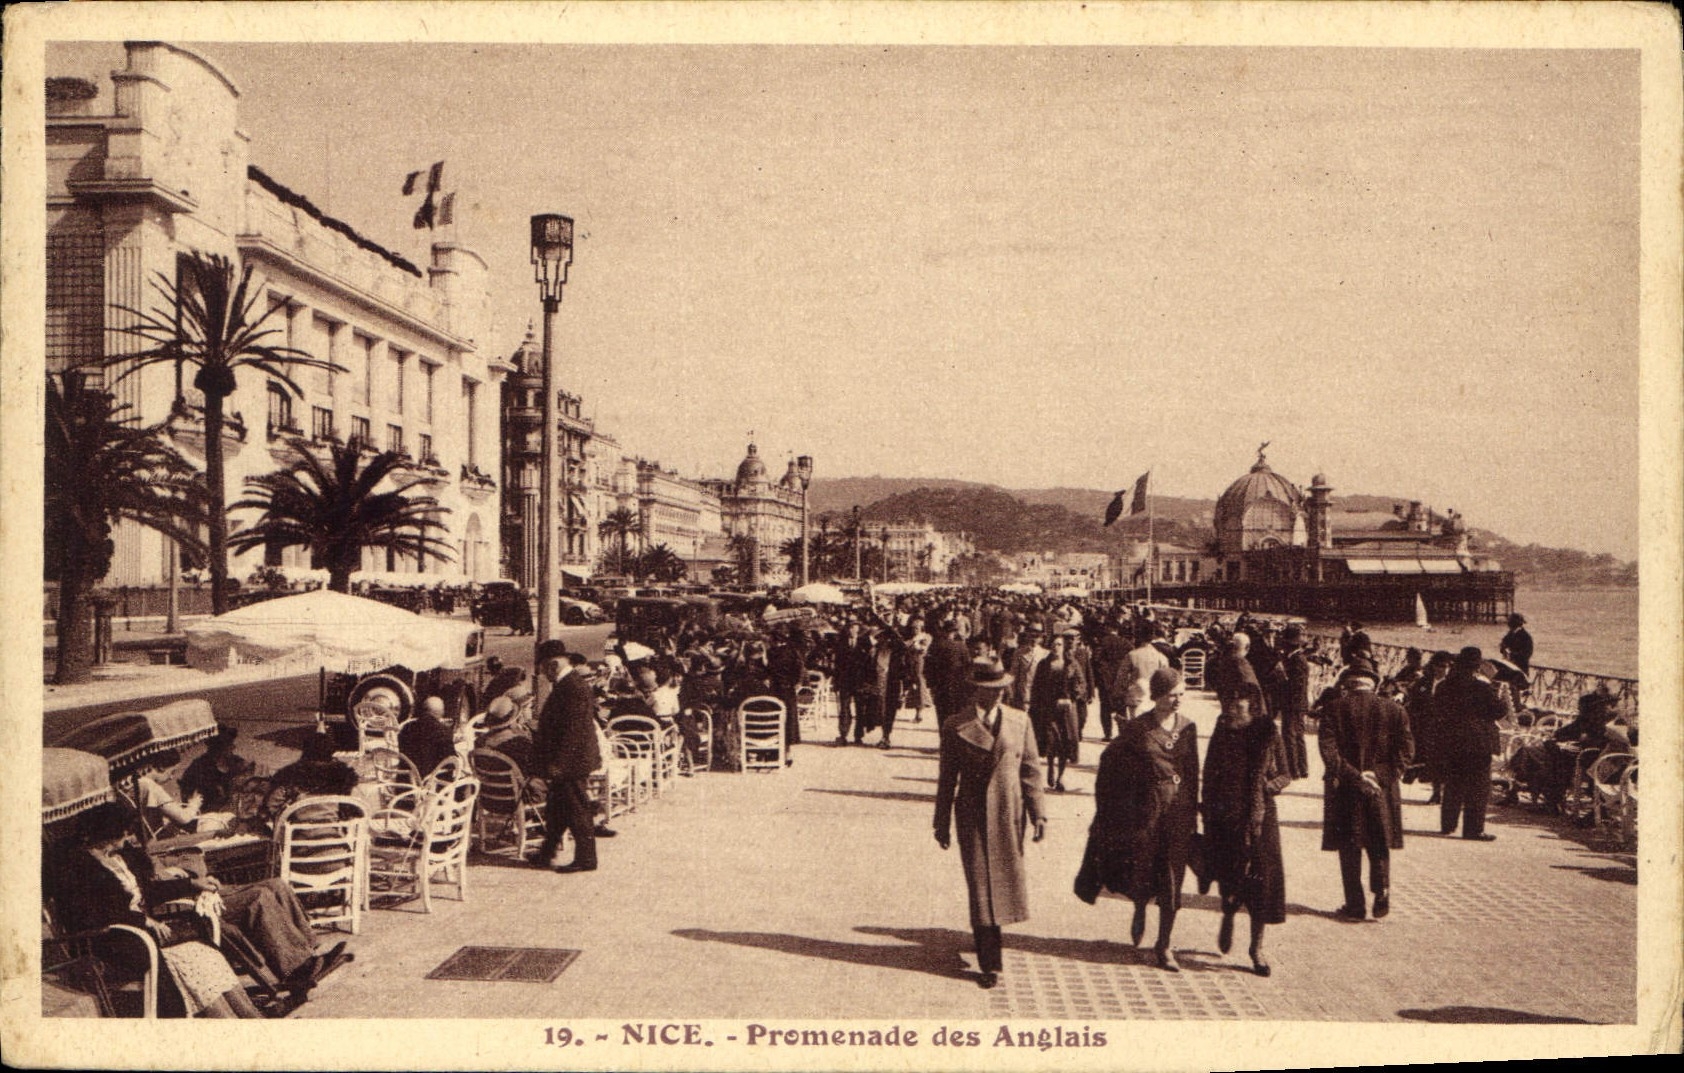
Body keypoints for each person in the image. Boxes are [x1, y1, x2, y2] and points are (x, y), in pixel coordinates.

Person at [47, 804, 264, 1018]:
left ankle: (250, 1017)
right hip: (114, 942)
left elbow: (149, 891)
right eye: (124, 831)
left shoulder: (118, 858)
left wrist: (192, 884)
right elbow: (91, 914)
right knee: (191, 962)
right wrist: (144, 920)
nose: (129, 837)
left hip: (140, 937)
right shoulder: (78, 867)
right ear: (108, 833)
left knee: (206, 956)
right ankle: (230, 1022)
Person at [933, 655, 1047, 990]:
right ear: (976, 690)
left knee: (1004, 879)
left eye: (1002, 688)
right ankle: (989, 961)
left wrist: (1038, 813)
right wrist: (941, 821)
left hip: (1009, 813)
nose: (998, 693)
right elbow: (947, 778)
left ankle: (988, 942)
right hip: (973, 814)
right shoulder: (956, 725)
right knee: (981, 885)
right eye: (991, 688)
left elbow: (1031, 770)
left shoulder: (1019, 721)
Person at [1078, 667, 1200, 971]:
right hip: (1147, 813)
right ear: (1156, 696)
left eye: (1181, 694)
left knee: (1173, 879)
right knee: (1143, 871)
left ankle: (1164, 944)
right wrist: (1117, 807)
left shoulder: (1188, 727)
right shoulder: (1137, 729)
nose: (1177, 700)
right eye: (1171, 695)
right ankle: (1140, 908)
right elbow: (1109, 764)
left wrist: (1193, 815)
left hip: (1178, 812)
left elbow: (1193, 772)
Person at [1200, 692, 1290, 976]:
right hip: (1225, 815)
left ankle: (1256, 948)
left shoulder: (1268, 734)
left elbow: (1286, 774)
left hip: (1260, 818)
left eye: (1237, 707)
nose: (1231, 711)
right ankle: (1228, 912)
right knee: (1229, 877)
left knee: (1262, 883)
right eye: (1229, 705)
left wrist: (1267, 786)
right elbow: (1209, 772)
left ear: (1252, 710)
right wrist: (1207, 811)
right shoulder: (1222, 730)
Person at [1318, 665, 1413, 920]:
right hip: (1381, 788)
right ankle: (1381, 890)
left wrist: (1356, 776)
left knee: (1349, 845)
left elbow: (1329, 752)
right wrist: (1379, 776)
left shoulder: (1334, 709)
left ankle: (1355, 905)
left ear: (1347, 684)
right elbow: (1406, 752)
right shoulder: (1395, 710)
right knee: (1379, 840)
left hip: (1345, 788)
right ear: (1374, 684)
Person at [531, 638, 603, 872]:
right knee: (557, 808)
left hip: (572, 761)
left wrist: (560, 764)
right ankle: (547, 852)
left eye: (544, 669)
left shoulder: (573, 687)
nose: (544, 675)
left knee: (576, 809)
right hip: (568, 759)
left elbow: (574, 731)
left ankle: (586, 859)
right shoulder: (569, 683)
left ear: (553, 665)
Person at [1434, 647, 1508, 840]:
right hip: (1478, 741)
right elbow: (1499, 711)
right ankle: (1473, 829)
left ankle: (1448, 824)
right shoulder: (1482, 687)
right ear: (1476, 666)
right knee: (1478, 786)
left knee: (1453, 783)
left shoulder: (1443, 686)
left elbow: (1437, 711)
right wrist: (1495, 690)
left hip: (1452, 740)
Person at [1029, 632, 1085, 792]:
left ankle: (1061, 776)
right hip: (1048, 708)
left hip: (1067, 710)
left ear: (1064, 646)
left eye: (1059, 644)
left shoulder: (1072, 664)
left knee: (1065, 742)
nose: (1056, 647)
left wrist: (1071, 698)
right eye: (1053, 644)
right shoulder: (1043, 664)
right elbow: (1036, 687)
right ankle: (1050, 767)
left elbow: (1081, 684)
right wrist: (1037, 705)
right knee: (1051, 740)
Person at [177, 725, 252, 815]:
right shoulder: (199, 766)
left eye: (230, 743)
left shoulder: (239, 763)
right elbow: (187, 792)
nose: (232, 747)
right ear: (214, 746)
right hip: (207, 813)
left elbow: (249, 786)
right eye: (226, 744)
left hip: (234, 812)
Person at [1276, 626, 1313, 780]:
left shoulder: (1296, 660)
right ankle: (1302, 769)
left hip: (1293, 703)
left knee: (1290, 735)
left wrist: (1281, 677)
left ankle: (1293, 770)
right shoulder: (1297, 658)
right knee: (1297, 735)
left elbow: (1295, 685)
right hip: (1298, 703)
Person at [924, 616, 974, 727]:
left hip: (940, 687)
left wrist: (931, 685)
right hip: (958, 686)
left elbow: (928, 667)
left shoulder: (935, 646)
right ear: (954, 632)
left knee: (942, 715)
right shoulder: (961, 647)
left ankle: (944, 736)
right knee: (956, 715)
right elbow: (968, 666)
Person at [398, 696, 456, 783]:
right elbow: (451, 761)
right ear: (441, 712)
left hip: (405, 780)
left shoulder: (407, 727)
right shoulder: (443, 731)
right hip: (430, 783)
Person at [1090, 618, 1130, 741]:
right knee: (1121, 708)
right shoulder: (1126, 643)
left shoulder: (1102, 642)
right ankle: (1122, 733)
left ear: (1109, 628)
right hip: (1121, 679)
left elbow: (1095, 660)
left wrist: (1097, 677)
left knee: (1105, 708)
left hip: (1105, 679)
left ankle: (1108, 734)